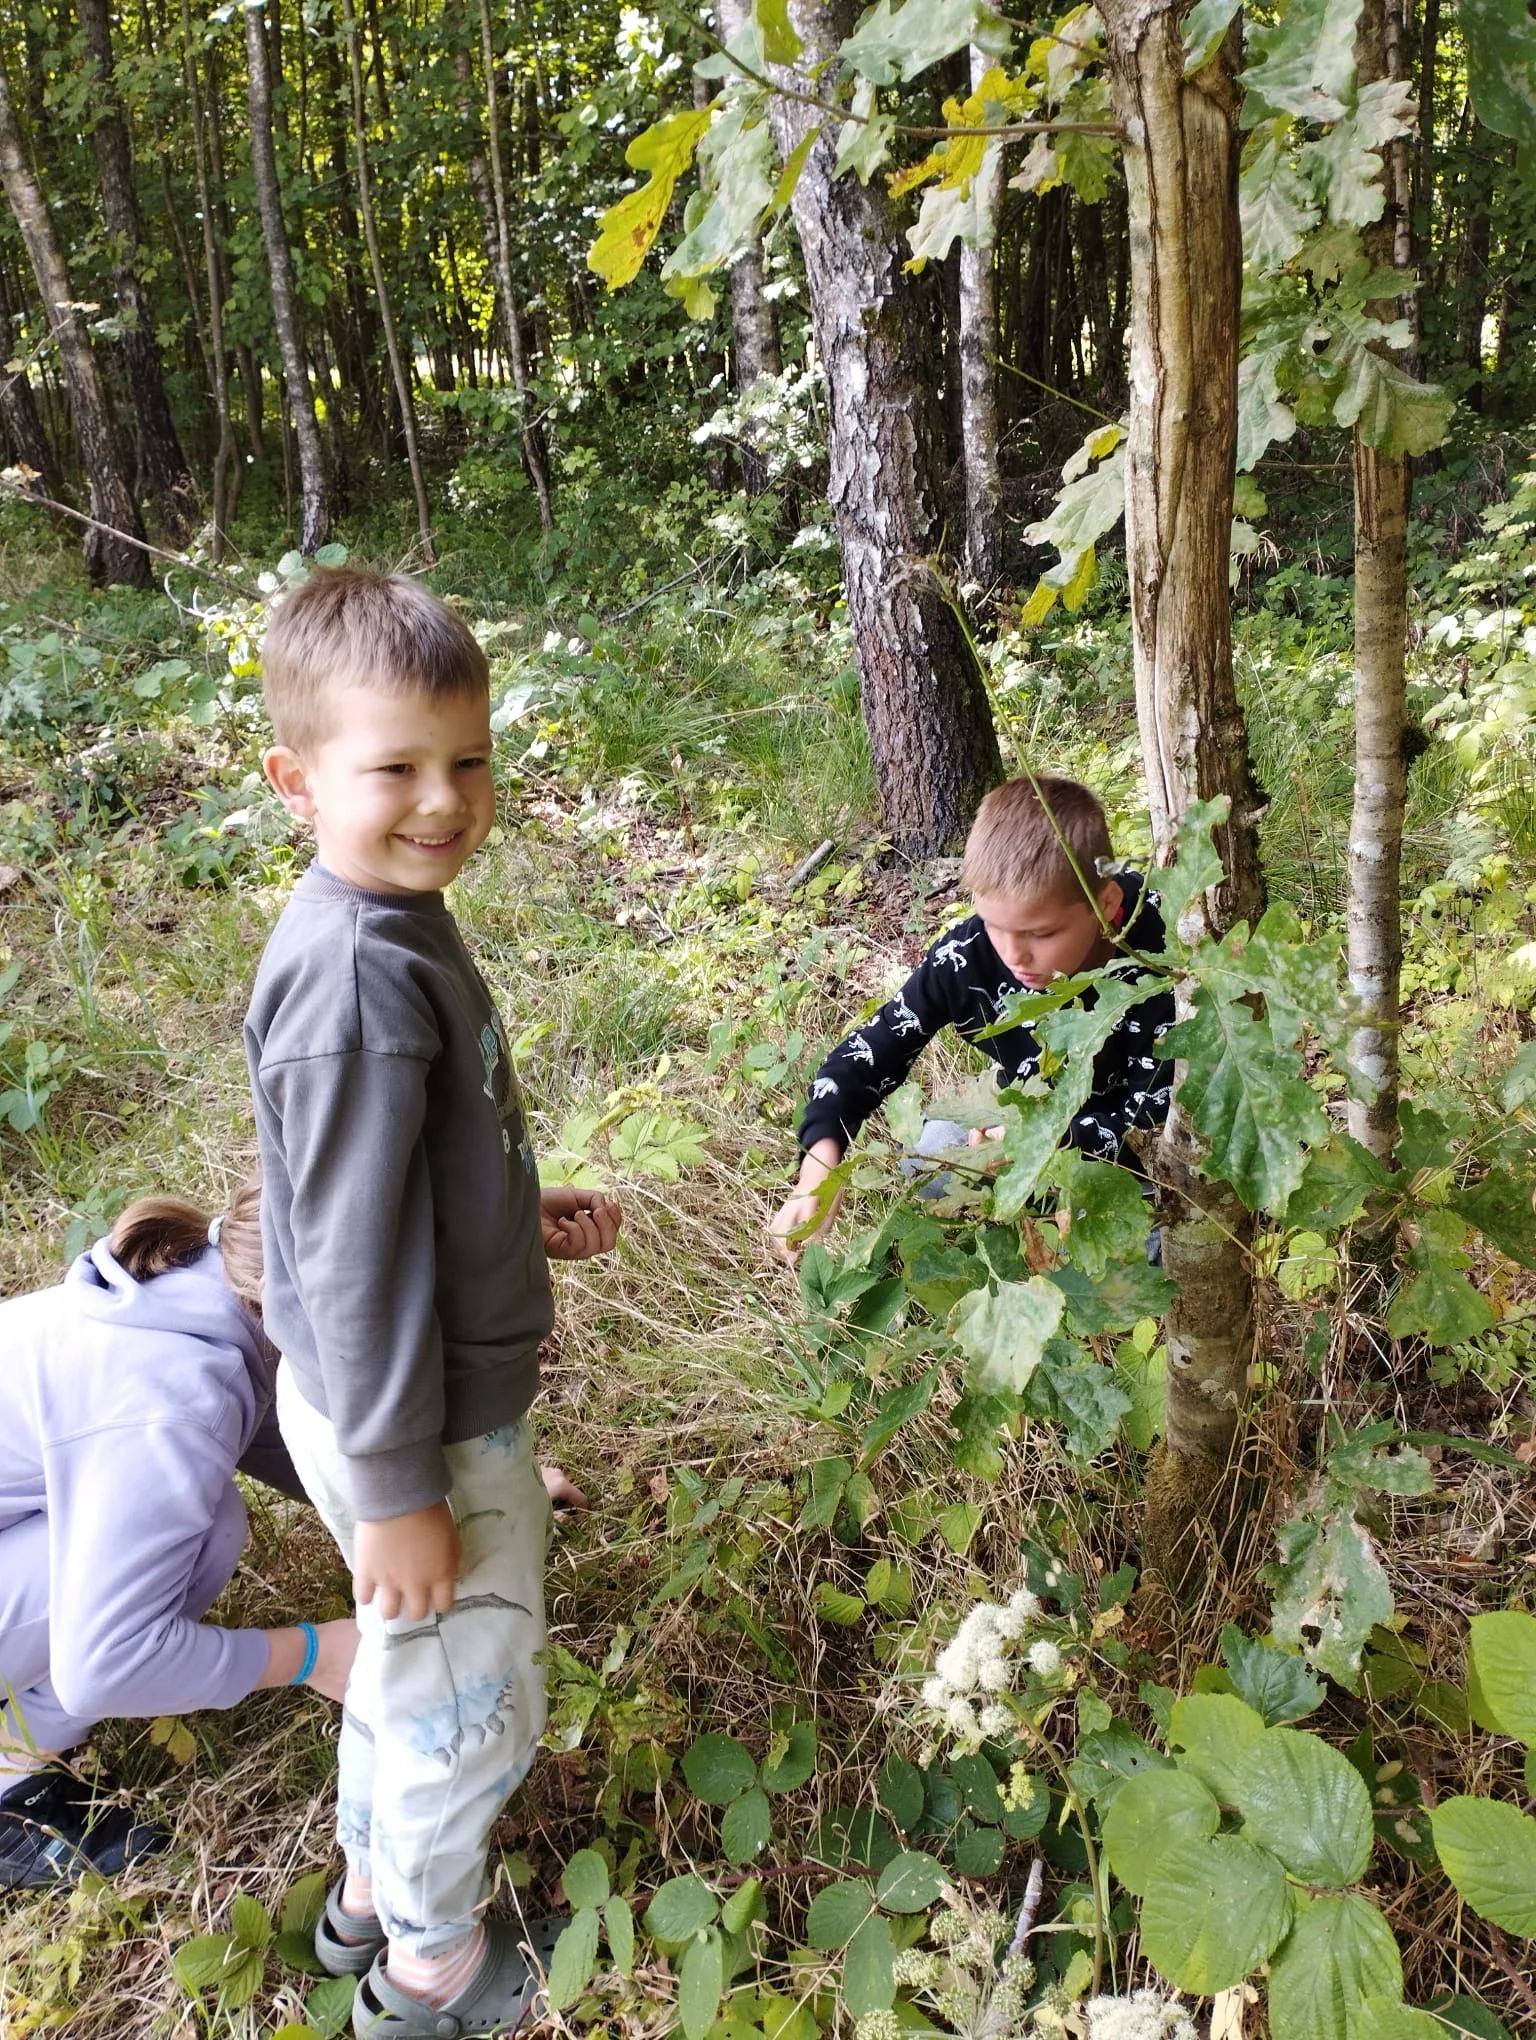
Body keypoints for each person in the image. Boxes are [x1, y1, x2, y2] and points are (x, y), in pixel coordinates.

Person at [245, 565, 621, 2040]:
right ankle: (429, 1970)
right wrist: (406, 1488)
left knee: (406, 1665)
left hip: (391, 1401)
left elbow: (376, 1189)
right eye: (394, 766)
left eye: (467, 760)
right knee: (468, 1697)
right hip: (420, 1426)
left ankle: (362, 1893)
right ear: (295, 777)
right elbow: (342, 1263)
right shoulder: (354, 977)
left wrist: (506, 1213)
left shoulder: (390, 919)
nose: (442, 799)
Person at [0, 1180, 358, 1891]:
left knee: (200, 1516)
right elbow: (103, 1665)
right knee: (207, 1532)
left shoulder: (200, 1292)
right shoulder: (176, 1399)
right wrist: (317, 1654)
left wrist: (448, 1492)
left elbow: (289, 1444)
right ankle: (12, 1778)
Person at [771, 773, 1175, 1249]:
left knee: (1160, 1250)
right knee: (927, 1159)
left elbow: (1158, 1115)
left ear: (1106, 904)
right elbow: (869, 1052)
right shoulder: (970, 954)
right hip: (1025, 1128)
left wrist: (1040, 1139)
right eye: (993, 924)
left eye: (1041, 935)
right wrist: (820, 1166)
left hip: (1136, 1166)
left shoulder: (1166, 953)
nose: (1013, 955)